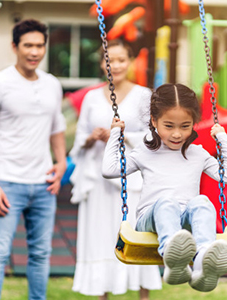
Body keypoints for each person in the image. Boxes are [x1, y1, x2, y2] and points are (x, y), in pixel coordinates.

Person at [102, 83, 227, 292]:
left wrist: (222, 138)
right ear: (154, 121)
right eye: (169, 126)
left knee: (202, 202)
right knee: (167, 202)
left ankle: (203, 258)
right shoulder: (145, 152)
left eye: (185, 126)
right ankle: (172, 256)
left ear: (194, 123)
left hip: (185, 223)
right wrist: (115, 134)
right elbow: (110, 169)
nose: (177, 134)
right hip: (151, 219)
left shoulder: (198, 154)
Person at [0, 19, 66, 300]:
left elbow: (57, 128)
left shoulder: (52, 84)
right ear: (15, 46)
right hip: (7, 182)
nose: (34, 52)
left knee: (40, 254)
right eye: (28, 45)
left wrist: (61, 163)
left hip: (43, 184)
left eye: (40, 45)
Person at [69, 39, 162, 300]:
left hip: (130, 177)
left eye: (122, 60)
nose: (116, 66)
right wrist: (92, 137)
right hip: (98, 177)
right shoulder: (90, 97)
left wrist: (122, 135)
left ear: (130, 62)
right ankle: (102, 293)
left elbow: (153, 137)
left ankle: (143, 294)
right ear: (102, 63)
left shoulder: (144, 95)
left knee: (135, 230)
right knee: (100, 234)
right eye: (110, 60)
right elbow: (79, 137)